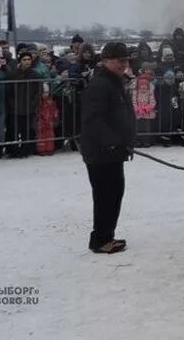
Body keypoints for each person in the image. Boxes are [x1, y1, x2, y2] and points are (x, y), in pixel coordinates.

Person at [81, 42, 136, 254]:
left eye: (126, 60)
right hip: (101, 152)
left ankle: (106, 235)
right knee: (106, 195)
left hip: (113, 151)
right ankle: (101, 239)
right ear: (105, 60)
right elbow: (93, 120)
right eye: (119, 60)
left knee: (114, 193)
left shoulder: (114, 82)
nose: (124, 64)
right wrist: (113, 141)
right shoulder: (100, 85)